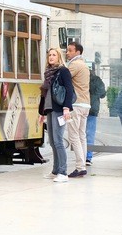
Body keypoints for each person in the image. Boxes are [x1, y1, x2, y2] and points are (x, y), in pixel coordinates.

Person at [38, 47, 74, 183]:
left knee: (58, 141)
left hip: (59, 109)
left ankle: (63, 172)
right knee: (52, 142)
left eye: (54, 55)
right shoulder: (48, 73)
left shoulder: (63, 71)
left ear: (59, 57)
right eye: (49, 55)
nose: (51, 57)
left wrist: (66, 108)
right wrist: (42, 113)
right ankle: (55, 170)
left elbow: (69, 89)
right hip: (50, 109)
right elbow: (44, 94)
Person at [65, 41, 90, 178]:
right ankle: (83, 165)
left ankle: (80, 167)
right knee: (82, 136)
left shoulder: (74, 65)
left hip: (76, 104)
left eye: (70, 50)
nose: (67, 53)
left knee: (74, 136)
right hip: (85, 104)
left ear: (77, 52)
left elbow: (63, 79)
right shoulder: (85, 65)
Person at [85, 69, 106, 165]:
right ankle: (88, 157)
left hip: (81, 107)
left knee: (80, 133)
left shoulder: (82, 78)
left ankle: (81, 155)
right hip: (92, 109)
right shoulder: (97, 80)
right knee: (90, 133)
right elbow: (102, 94)